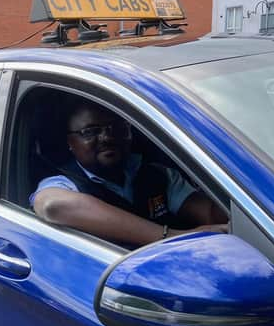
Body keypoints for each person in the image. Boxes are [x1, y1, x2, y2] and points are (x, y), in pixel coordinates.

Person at [30, 100, 228, 249]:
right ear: (71, 143)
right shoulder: (65, 184)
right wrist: (173, 237)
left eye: (116, 128)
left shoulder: (157, 174)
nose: (107, 137)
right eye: (90, 131)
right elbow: (51, 206)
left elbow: (209, 213)